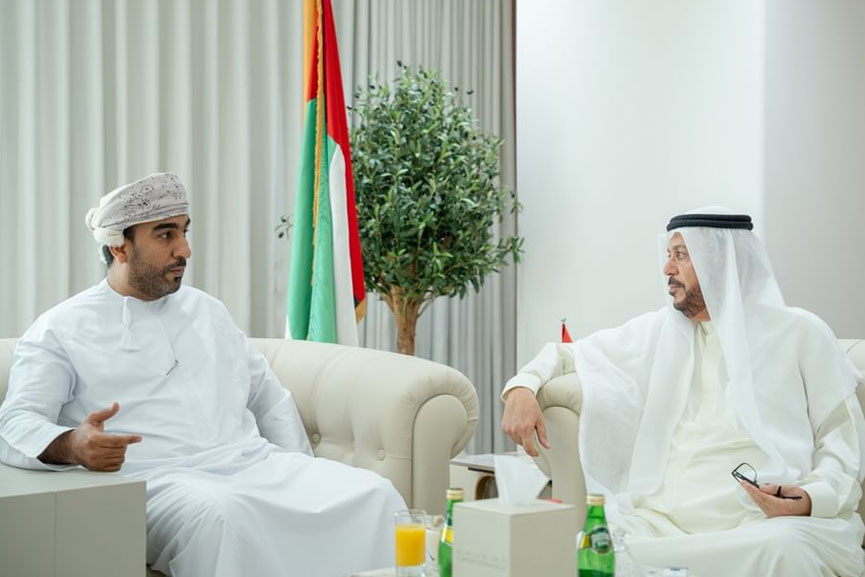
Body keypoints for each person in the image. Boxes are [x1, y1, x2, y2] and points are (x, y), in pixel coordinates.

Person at [0, 172, 406, 577]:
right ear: (119, 246)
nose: (185, 250)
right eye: (166, 235)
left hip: (252, 463)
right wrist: (72, 445)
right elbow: (16, 421)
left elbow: (268, 398)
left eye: (184, 232)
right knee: (219, 517)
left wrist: (300, 471)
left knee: (375, 494)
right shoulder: (61, 327)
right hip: (153, 482)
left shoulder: (208, 311)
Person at [502, 208, 865, 576]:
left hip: (760, 524)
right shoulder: (661, 331)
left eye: (681, 256)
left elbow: (841, 438)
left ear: (722, 263)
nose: (667, 269)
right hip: (662, 524)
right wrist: (522, 386)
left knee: (784, 548)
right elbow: (567, 355)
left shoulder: (801, 332)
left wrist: (811, 498)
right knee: (587, 550)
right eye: (668, 255)